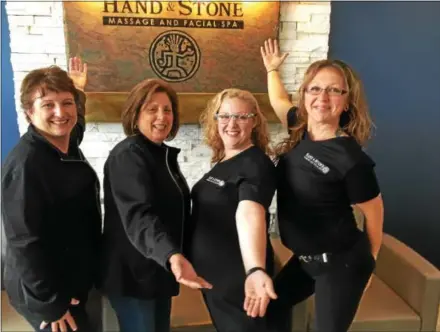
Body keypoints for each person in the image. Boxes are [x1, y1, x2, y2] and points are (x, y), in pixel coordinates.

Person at [260, 39, 384, 332]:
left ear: (347, 101)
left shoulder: (351, 159)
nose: (322, 97)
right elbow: (278, 100)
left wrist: (370, 264)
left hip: (341, 264)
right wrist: (272, 70)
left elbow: (374, 214)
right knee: (270, 310)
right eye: (315, 88)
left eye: (333, 90)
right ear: (304, 95)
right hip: (306, 261)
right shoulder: (299, 128)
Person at [100, 78, 212, 332]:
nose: (162, 116)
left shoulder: (159, 154)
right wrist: (171, 254)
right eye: (152, 109)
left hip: (158, 270)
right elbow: (139, 215)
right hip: (135, 277)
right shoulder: (128, 155)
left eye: (167, 109)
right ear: (135, 113)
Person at [1, 58, 102, 332]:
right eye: (48, 105)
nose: (61, 112)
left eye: (67, 102)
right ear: (29, 113)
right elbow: (24, 243)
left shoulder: (62, 142)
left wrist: (78, 92)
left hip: (73, 279)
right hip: (50, 292)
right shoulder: (26, 166)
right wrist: (50, 304)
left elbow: (74, 125)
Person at [188, 88, 278, 332]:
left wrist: (255, 270)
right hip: (213, 278)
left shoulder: (256, 164)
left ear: (254, 122)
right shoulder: (225, 161)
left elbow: (249, 212)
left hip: (238, 280)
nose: (232, 124)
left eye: (241, 117)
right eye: (225, 116)